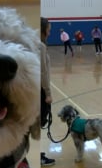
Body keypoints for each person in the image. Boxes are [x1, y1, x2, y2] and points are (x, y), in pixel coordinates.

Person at [40, 17, 56, 166]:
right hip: (39, 91)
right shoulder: (41, 46)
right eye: (48, 30)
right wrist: (48, 93)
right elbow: (43, 73)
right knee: (38, 124)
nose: (49, 33)